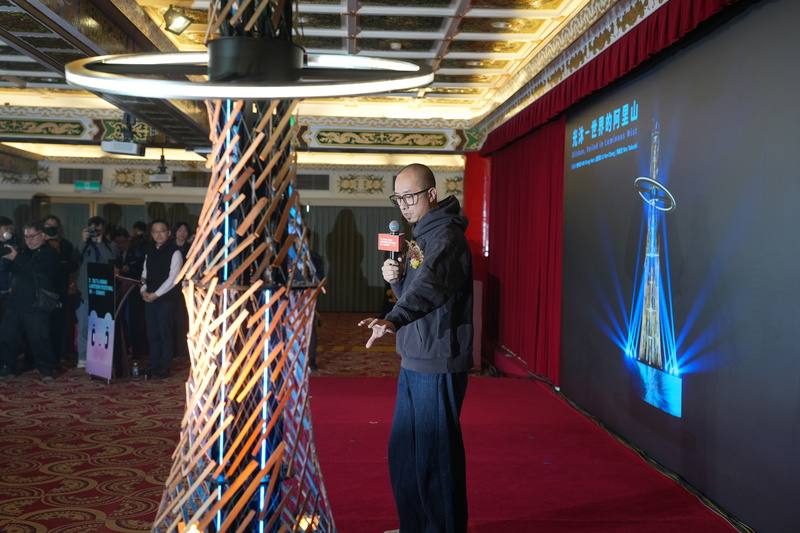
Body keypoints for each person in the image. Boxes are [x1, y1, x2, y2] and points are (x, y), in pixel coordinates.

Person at [358, 163, 473, 533]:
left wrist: (394, 316)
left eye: (410, 196)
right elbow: (414, 288)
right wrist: (397, 280)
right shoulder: (419, 238)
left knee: (435, 457)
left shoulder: (446, 239)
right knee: (405, 453)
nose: (404, 205)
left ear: (431, 195)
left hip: (437, 359)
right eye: (398, 198)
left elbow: (431, 288)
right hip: (414, 356)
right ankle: (415, 525)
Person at [0, 222, 61, 380]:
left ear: (42, 235)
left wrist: (16, 258)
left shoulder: (50, 253)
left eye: (32, 236)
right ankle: (8, 368)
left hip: (36, 303)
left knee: (39, 338)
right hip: (15, 301)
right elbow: (7, 268)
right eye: (26, 237)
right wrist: (7, 256)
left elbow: (36, 271)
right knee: (8, 336)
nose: (29, 240)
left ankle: (46, 371)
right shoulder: (22, 251)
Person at [140, 220, 183, 379]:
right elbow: (144, 273)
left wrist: (156, 294)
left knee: (165, 333)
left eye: (162, 231)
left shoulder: (175, 252)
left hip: (166, 299)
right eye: (155, 231)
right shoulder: (149, 251)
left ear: (168, 233)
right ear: (151, 234)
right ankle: (154, 364)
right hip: (149, 297)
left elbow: (173, 278)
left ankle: (164, 367)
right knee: (152, 334)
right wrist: (143, 290)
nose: (159, 234)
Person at [76, 216, 117, 368]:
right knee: (83, 326)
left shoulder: (110, 245)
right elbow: (74, 259)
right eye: (93, 229)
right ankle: (82, 356)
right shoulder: (84, 245)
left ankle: (99, 358)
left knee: (100, 325)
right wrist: (83, 240)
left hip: (103, 291)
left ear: (104, 230)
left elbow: (111, 260)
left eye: (98, 229)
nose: (95, 232)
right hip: (85, 291)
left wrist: (100, 243)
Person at [43, 215, 77, 368]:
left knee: (59, 325)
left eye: (54, 225)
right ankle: (39, 359)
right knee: (40, 326)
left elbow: (72, 265)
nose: (51, 227)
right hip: (41, 292)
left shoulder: (66, 245)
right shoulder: (38, 244)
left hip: (61, 290)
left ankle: (57, 357)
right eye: (48, 224)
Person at [172, 222, 191, 359]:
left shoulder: (191, 248)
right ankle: (173, 350)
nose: (182, 233)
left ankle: (183, 351)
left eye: (185, 231)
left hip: (185, 287)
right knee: (171, 319)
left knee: (183, 319)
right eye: (180, 230)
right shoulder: (170, 248)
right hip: (171, 286)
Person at [0, 216, 16, 321]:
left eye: (11, 229)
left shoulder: (12, 245)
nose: (9, 231)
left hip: (9, 293)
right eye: (6, 228)